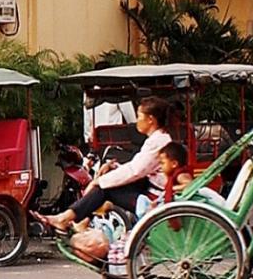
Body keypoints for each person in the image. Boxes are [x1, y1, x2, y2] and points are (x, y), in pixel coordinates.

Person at [35, 96, 172, 232]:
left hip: (154, 198)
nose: (136, 121)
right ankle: (74, 219)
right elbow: (137, 167)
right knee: (105, 185)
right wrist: (113, 169)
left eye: (139, 116)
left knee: (105, 188)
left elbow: (135, 171)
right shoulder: (157, 139)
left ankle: (68, 219)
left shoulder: (157, 142)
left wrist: (99, 181)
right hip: (147, 189)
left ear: (150, 119)